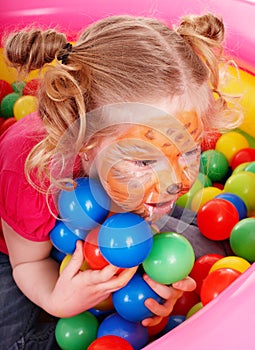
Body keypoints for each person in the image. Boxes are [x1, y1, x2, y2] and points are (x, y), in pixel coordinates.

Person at [0, 13, 241, 349]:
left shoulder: (147, 179)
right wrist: (56, 299)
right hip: (25, 249)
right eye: (143, 160)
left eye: (186, 151)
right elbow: (27, 261)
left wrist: (158, 279)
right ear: (86, 143)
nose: (175, 180)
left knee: (216, 254)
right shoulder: (30, 171)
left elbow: (143, 241)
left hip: (108, 223)